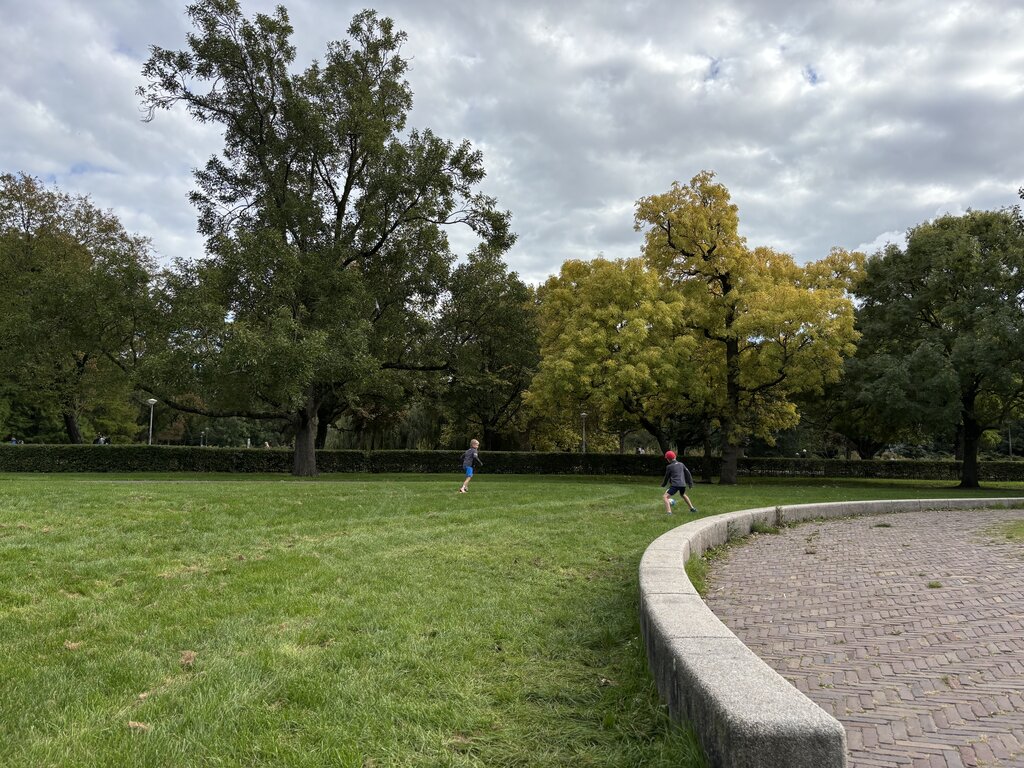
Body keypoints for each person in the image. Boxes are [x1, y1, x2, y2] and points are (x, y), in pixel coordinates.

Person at [661, 450, 697, 514]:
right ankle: (692, 508)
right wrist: (690, 483)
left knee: (665, 497)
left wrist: (663, 484)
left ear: (668, 459)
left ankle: (669, 512)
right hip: (683, 485)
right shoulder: (681, 464)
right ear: (675, 457)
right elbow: (688, 474)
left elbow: (667, 477)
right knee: (682, 494)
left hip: (675, 485)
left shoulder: (669, 467)